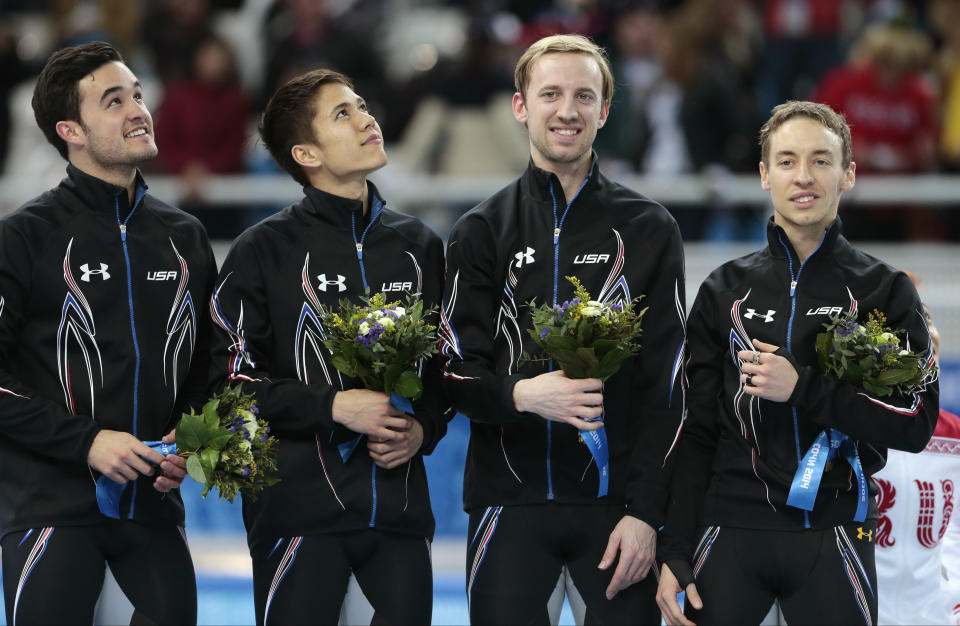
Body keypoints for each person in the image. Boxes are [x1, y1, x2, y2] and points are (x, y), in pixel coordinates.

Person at [655, 100, 940, 626]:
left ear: (848, 174)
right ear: (764, 175)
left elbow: (917, 423)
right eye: (786, 161)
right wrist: (674, 549)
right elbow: (694, 431)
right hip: (730, 529)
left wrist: (803, 387)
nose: (803, 176)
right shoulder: (723, 289)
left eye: (821, 160)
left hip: (833, 532)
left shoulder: (886, 289)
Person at [440, 34, 687, 624]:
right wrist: (522, 394)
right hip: (508, 505)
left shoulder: (649, 230)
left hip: (616, 514)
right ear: (521, 106)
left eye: (584, 95)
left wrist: (647, 514)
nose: (567, 110)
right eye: (550, 93)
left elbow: (669, 387)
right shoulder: (480, 231)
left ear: (604, 111)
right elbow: (450, 372)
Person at [207, 68, 446, 625]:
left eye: (362, 105)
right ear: (306, 154)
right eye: (343, 114)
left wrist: (423, 429)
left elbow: (446, 369)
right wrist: (333, 407)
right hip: (296, 515)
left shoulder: (420, 246)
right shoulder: (262, 250)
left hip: (399, 514)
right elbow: (226, 381)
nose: (367, 120)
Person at [0, 41, 216, 624]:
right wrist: (88, 442)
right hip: (51, 511)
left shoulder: (186, 236)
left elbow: (211, 365)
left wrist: (192, 437)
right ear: (70, 129)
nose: (138, 109)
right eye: (114, 100)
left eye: (139, 95)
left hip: (154, 512)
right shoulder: (24, 237)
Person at [874, 278, 960, 625]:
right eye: (909, 323)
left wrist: (952, 601)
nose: (926, 334)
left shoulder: (955, 435)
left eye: (927, 319)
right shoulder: (845, 429)